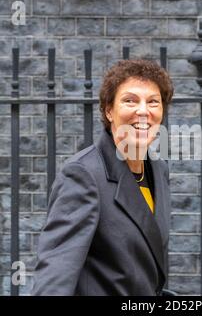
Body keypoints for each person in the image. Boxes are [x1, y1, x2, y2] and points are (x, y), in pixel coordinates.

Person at [32, 59, 174, 296]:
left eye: (153, 102)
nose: (143, 111)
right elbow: (55, 275)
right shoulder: (83, 175)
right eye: (130, 100)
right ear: (109, 110)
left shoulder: (159, 171)